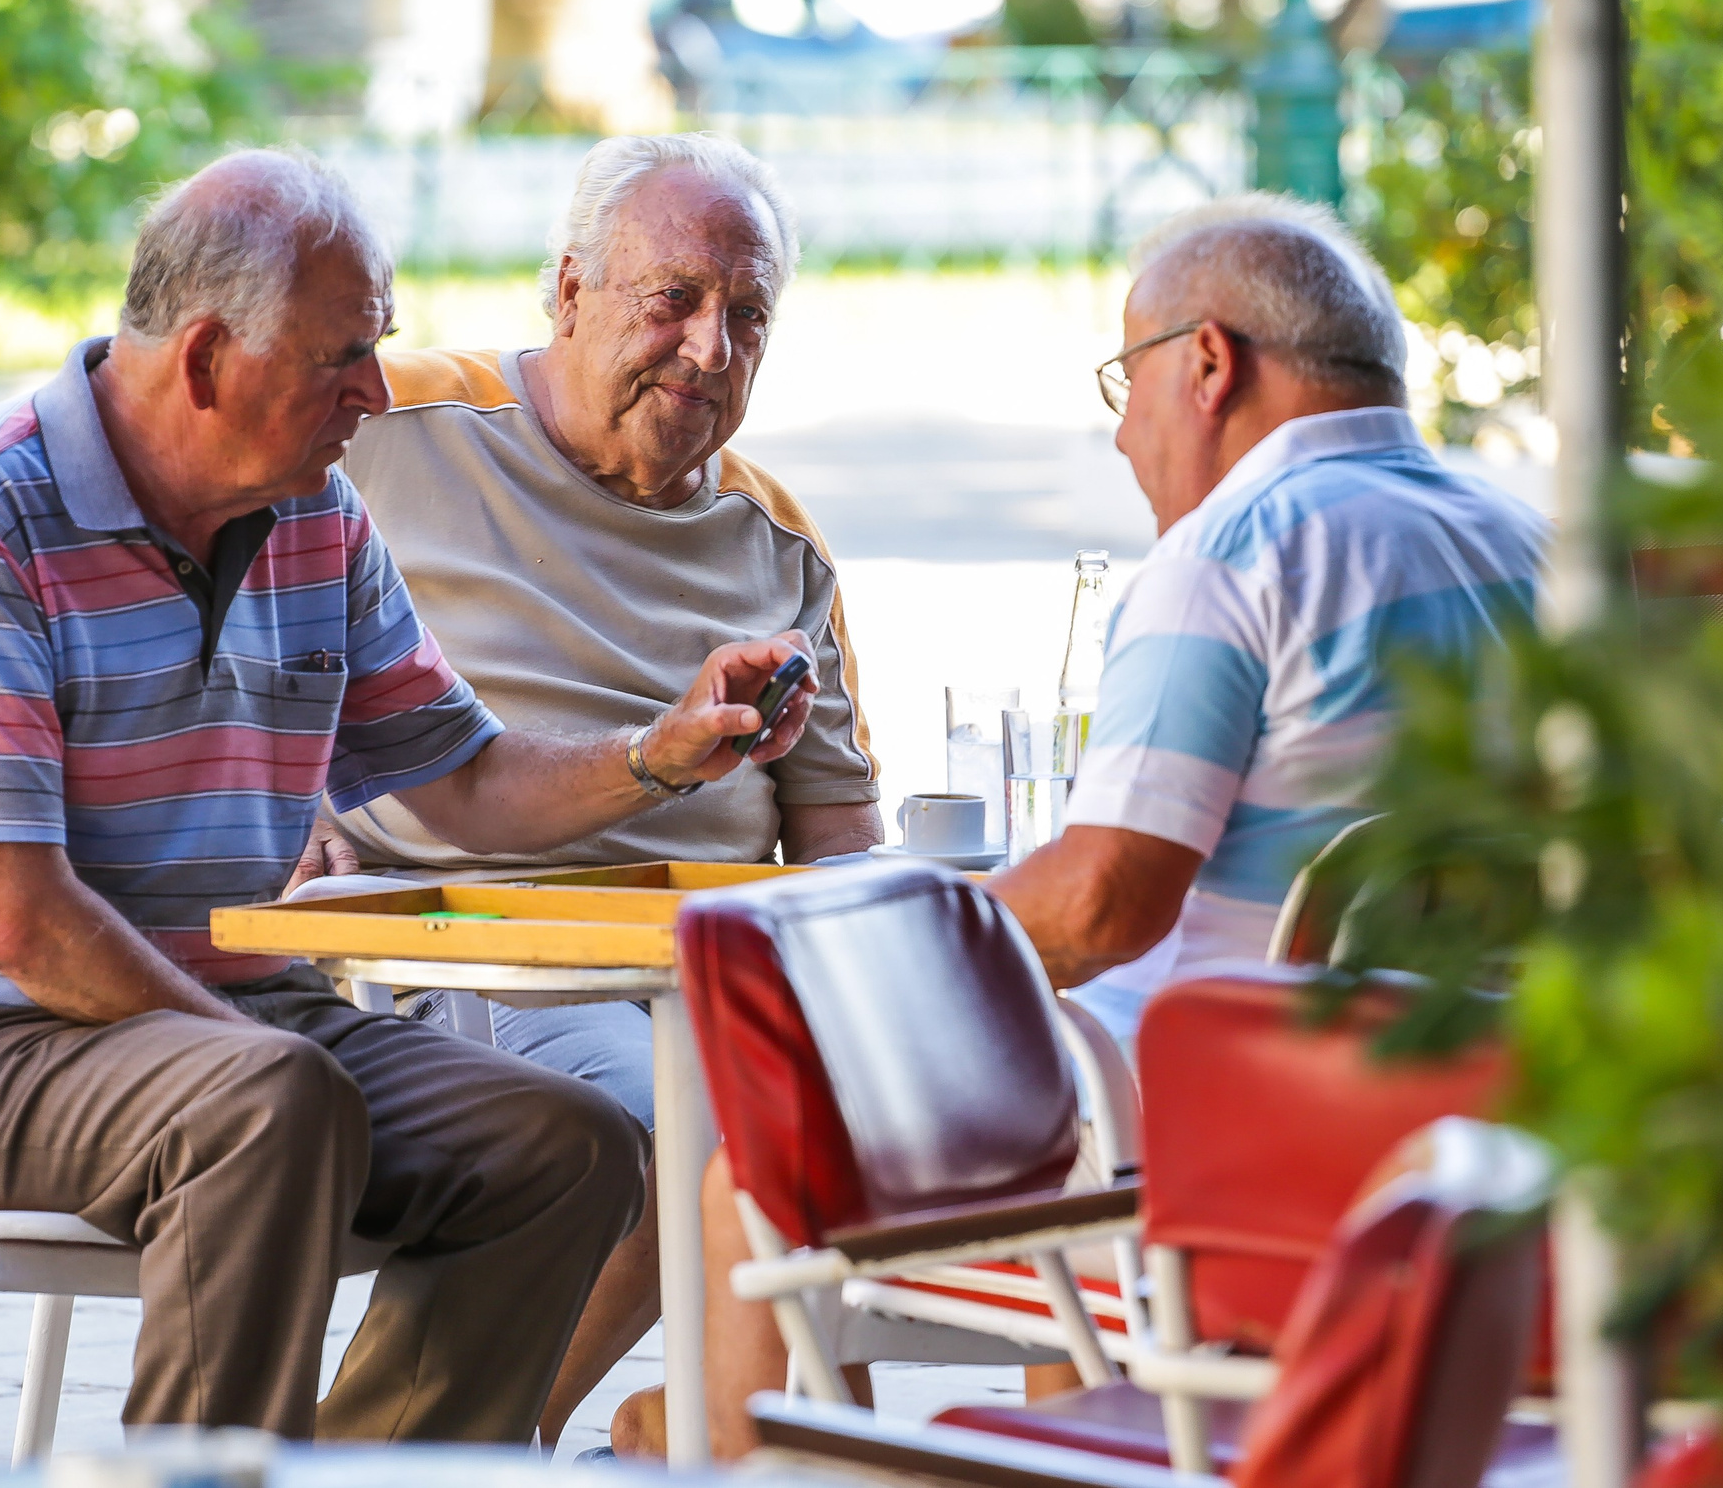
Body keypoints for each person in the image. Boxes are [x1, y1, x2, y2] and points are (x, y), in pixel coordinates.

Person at [0, 147, 823, 1444]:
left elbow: (462, 778)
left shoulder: (315, 516)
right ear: (203, 362)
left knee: (574, 1149)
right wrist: (261, 1046)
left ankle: (361, 1472)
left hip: (234, 1023)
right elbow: (16, 918)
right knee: (273, 1104)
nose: (372, 390)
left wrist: (657, 752)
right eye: (342, 356)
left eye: (380, 344)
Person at [613, 192, 1547, 1458]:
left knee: (745, 1192)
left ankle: (726, 1457)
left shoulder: (1237, 554)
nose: (1118, 434)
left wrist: (864, 957)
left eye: (1126, 378)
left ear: (1207, 363)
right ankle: (1075, 1437)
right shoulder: (1533, 541)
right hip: (1488, 1138)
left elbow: (1103, 902)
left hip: (1233, 1159)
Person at [320, 132, 882, 1446]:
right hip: (478, 952)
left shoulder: (776, 534)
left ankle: (715, 1441)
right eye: (671, 299)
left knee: (991, 1123)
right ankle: (432, 1452)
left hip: (720, 980)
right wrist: (286, 811)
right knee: (688, 1137)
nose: (709, 346)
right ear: (568, 292)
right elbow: (214, 609)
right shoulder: (389, 431)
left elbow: (842, 830)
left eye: (748, 316)